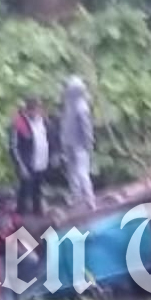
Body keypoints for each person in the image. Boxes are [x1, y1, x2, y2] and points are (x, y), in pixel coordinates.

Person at [8, 96, 50, 215]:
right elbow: (13, 147)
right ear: (28, 109)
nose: (36, 112)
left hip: (42, 161)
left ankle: (38, 212)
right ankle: (21, 215)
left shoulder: (43, 121)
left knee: (38, 190)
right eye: (34, 109)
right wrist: (20, 166)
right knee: (25, 191)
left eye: (38, 109)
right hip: (27, 163)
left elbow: (49, 138)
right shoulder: (19, 124)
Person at [60, 76, 96, 210]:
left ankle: (85, 198)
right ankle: (82, 198)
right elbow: (86, 128)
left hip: (75, 143)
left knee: (77, 172)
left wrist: (88, 141)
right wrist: (89, 142)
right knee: (78, 172)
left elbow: (84, 127)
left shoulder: (74, 106)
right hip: (75, 144)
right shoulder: (77, 106)